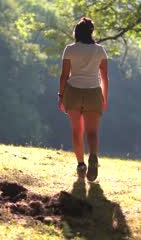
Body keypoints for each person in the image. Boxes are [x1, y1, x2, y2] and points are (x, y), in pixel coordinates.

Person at [57, 17, 108, 181]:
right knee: (92, 132)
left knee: (76, 131)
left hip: (73, 93)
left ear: (76, 33)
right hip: (93, 93)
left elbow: (64, 76)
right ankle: (93, 156)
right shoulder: (100, 50)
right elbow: (105, 78)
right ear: (91, 32)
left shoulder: (69, 49)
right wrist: (104, 98)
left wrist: (61, 96)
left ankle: (81, 164)